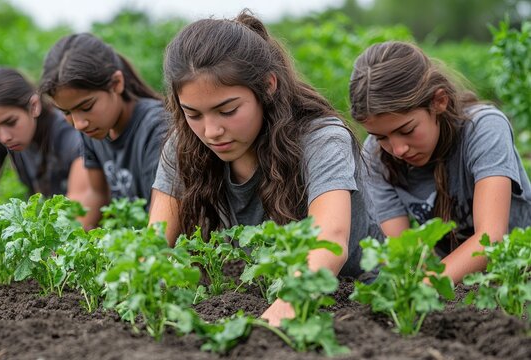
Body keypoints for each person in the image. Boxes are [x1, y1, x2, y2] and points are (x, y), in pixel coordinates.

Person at [149, 10, 381, 326]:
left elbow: (329, 242)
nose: (211, 130)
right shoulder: (184, 144)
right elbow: (155, 242)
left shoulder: (321, 139)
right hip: (260, 296)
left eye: (227, 110)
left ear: (268, 86)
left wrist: (285, 307)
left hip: (355, 300)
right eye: (194, 114)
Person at [349, 41, 531, 284]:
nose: (398, 149)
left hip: (517, 275)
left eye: (407, 129)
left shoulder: (483, 128)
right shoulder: (376, 156)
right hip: (455, 283)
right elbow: (402, 250)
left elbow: (491, 238)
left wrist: (422, 287)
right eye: (382, 137)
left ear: (439, 102)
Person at [0, 67, 98, 228]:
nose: (3, 137)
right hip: (54, 226)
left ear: (34, 106)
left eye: (11, 122)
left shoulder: (71, 137)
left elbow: (80, 212)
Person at [40, 33, 168, 224]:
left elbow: (163, 222)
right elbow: (96, 193)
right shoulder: (93, 129)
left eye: (86, 107)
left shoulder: (157, 127)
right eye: (66, 112)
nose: (78, 123)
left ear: (116, 83)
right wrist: (67, 243)